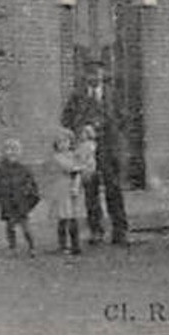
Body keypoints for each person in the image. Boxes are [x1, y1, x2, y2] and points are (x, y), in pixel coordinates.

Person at [60, 61, 130, 245]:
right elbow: (66, 119)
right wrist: (81, 130)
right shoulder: (78, 96)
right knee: (91, 191)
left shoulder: (113, 95)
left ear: (103, 75)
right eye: (90, 74)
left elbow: (123, 118)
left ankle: (120, 231)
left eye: (97, 74)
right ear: (85, 76)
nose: (94, 78)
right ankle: (96, 230)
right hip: (86, 151)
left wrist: (107, 130)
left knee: (113, 189)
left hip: (109, 149)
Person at [0, 139, 40, 255]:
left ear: (19, 152)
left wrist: (29, 199)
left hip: (21, 203)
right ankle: (13, 247)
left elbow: (33, 186)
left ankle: (32, 246)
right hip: (7, 202)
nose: (11, 153)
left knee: (26, 227)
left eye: (14, 150)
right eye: (8, 150)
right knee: (10, 226)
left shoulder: (24, 170)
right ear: (3, 152)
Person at [45, 128, 91, 255]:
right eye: (60, 142)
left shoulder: (73, 155)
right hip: (62, 189)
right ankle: (63, 244)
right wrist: (80, 167)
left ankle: (75, 244)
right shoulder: (57, 157)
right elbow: (70, 167)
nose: (63, 144)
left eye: (66, 141)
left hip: (74, 189)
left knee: (73, 217)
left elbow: (82, 166)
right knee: (63, 216)